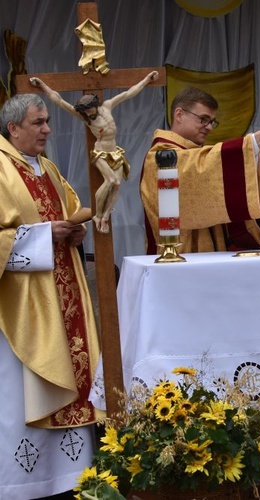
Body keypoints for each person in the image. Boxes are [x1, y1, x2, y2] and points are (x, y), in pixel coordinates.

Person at [0, 94, 103, 497]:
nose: (47, 129)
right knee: (23, 391)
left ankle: (69, 477)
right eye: (39, 123)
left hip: (64, 297)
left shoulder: (45, 167)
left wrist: (75, 232)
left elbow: (72, 209)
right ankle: (22, 484)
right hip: (23, 310)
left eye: (46, 121)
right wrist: (44, 236)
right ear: (14, 129)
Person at [140, 87, 260, 253]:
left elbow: (208, 185)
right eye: (203, 119)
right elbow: (195, 172)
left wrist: (250, 170)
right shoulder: (160, 156)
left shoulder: (193, 152)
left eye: (212, 121)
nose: (209, 127)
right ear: (179, 115)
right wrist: (259, 139)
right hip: (179, 254)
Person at [31, 70, 159, 234]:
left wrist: (147, 80)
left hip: (115, 151)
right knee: (110, 180)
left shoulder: (107, 106)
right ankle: (97, 215)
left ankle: (105, 216)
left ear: (94, 106)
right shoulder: (84, 117)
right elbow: (60, 101)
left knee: (117, 184)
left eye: (90, 110)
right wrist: (43, 85)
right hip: (100, 152)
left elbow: (128, 93)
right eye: (86, 112)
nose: (88, 113)